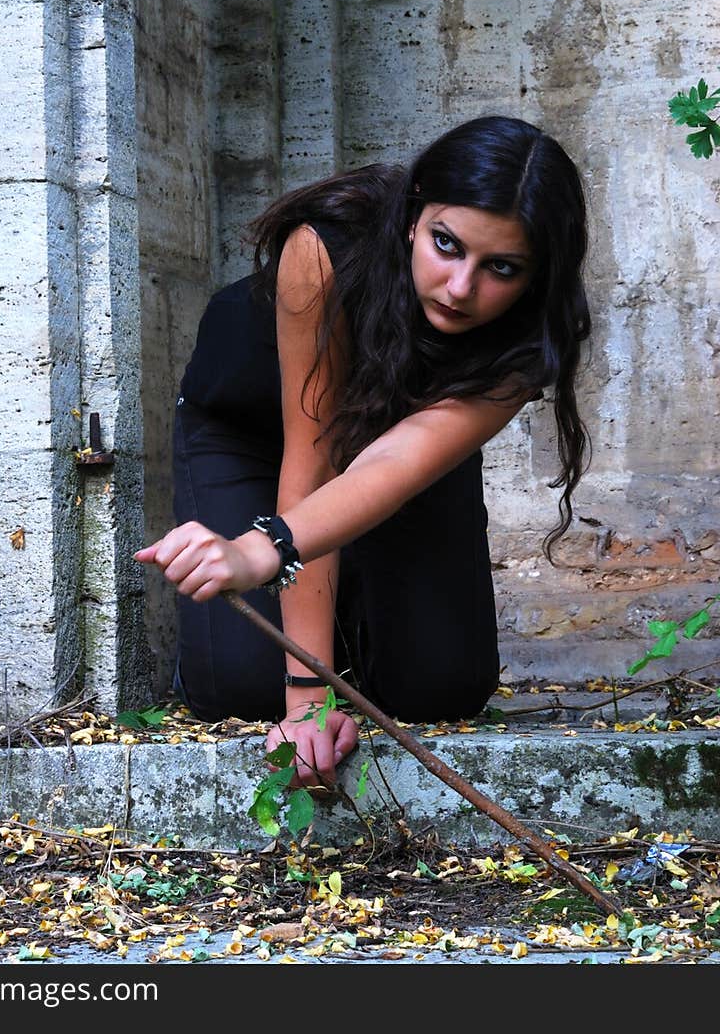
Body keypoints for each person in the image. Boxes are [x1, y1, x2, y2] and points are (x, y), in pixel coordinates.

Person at [135, 115, 591, 789]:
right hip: (257, 432)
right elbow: (312, 459)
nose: (460, 287)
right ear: (412, 217)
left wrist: (261, 553)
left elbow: (391, 465)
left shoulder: (530, 339)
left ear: (534, 276)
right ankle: (322, 631)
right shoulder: (322, 249)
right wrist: (308, 699)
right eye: (446, 243)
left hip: (401, 457)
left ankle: (349, 613)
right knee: (242, 685)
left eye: (500, 267)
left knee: (441, 685)